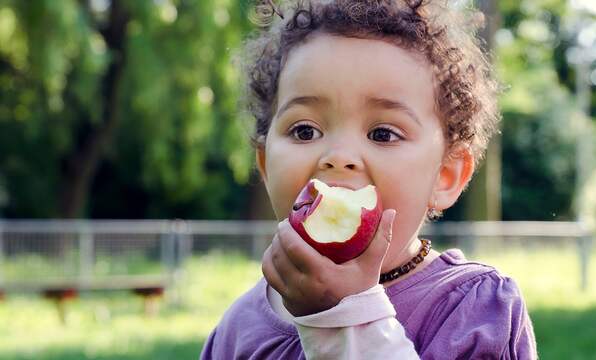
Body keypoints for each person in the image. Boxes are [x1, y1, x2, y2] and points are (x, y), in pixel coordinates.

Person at [201, 0, 537, 358]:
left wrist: (343, 318)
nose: (338, 157)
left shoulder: (475, 310)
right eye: (304, 130)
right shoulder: (239, 328)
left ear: (445, 175)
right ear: (266, 166)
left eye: (382, 134)